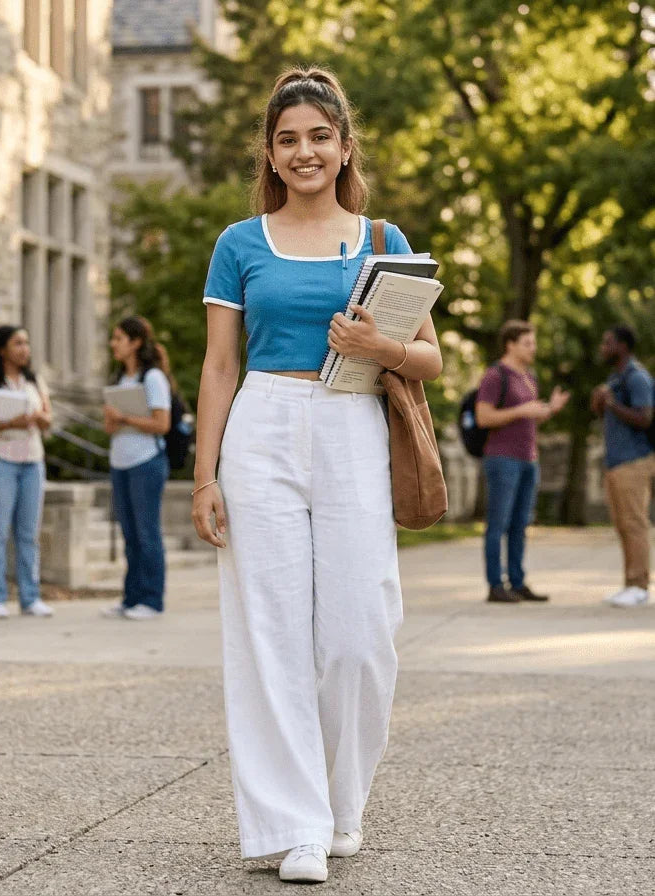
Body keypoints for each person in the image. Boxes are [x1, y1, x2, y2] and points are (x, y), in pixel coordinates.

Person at [191, 66, 442, 884]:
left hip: (351, 424)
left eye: (319, 137)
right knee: (268, 633)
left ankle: (341, 806)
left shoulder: (383, 242)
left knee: (359, 634)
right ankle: (293, 825)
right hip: (260, 427)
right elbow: (219, 367)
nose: (304, 151)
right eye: (288, 139)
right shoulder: (239, 244)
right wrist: (204, 477)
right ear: (270, 152)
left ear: (342, 148)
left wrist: (381, 348)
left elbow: (430, 358)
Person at [475, 320, 570, 603]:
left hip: (529, 459)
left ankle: (517, 581)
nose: (533, 348)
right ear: (510, 345)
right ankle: (496, 585)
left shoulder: (529, 377)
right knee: (499, 523)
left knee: (520, 524)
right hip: (502, 459)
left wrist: (549, 409)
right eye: (527, 343)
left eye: (534, 343)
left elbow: (530, 414)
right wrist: (520, 411)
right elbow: (483, 417)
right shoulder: (495, 376)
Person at [0, 326, 53, 618]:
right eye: (18, 343)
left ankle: (30, 597)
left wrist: (39, 419)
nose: (24, 349)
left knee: (29, 534)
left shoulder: (34, 380)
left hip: (31, 462)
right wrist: (9, 423)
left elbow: (48, 418)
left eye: (27, 343)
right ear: (2, 348)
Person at [102, 316, 172, 620]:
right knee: (129, 534)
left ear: (135, 342)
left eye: (118, 338)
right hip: (120, 463)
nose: (113, 344)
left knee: (147, 534)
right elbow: (109, 427)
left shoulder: (152, 378)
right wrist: (114, 419)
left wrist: (126, 418)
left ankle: (152, 600)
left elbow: (162, 423)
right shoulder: (120, 379)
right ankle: (131, 598)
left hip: (146, 463)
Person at [591, 325, 654, 607]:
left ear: (623, 346)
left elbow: (645, 418)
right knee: (623, 525)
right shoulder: (616, 378)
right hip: (617, 462)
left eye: (608, 342)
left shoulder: (636, 377)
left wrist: (612, 404)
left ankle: (640, 586)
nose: (603, 347)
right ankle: (629, 584)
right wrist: (601, 403)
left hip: (634, 461)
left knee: (635, 523)